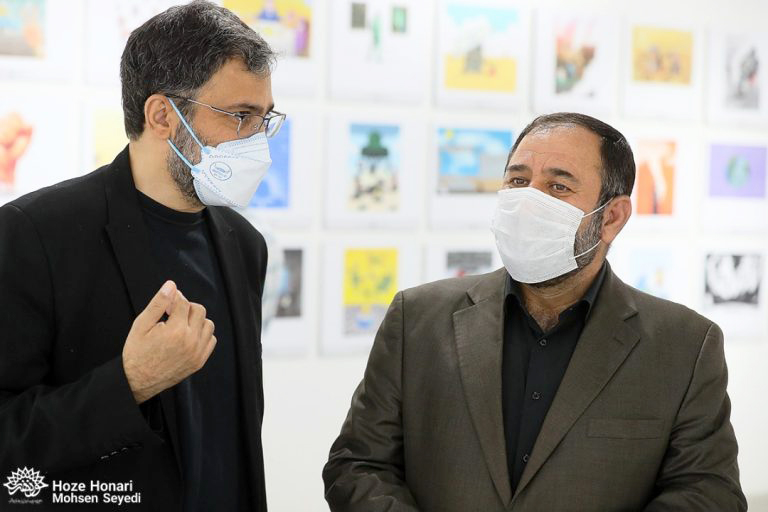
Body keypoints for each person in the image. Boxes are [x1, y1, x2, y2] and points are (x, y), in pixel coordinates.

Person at [323, 113, 746, 511]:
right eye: (518, 180)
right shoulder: (417, 318)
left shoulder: (684, 346)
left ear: (612, 217)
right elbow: (357, 465)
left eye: (558, 187)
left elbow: (708, 492)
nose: (528, 201)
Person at [0, 2, 284, 510]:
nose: (258, 141)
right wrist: (129, 382)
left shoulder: (244, 244)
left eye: (265, 119)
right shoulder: (33, 234)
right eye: (241, 116)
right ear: (162, 115)